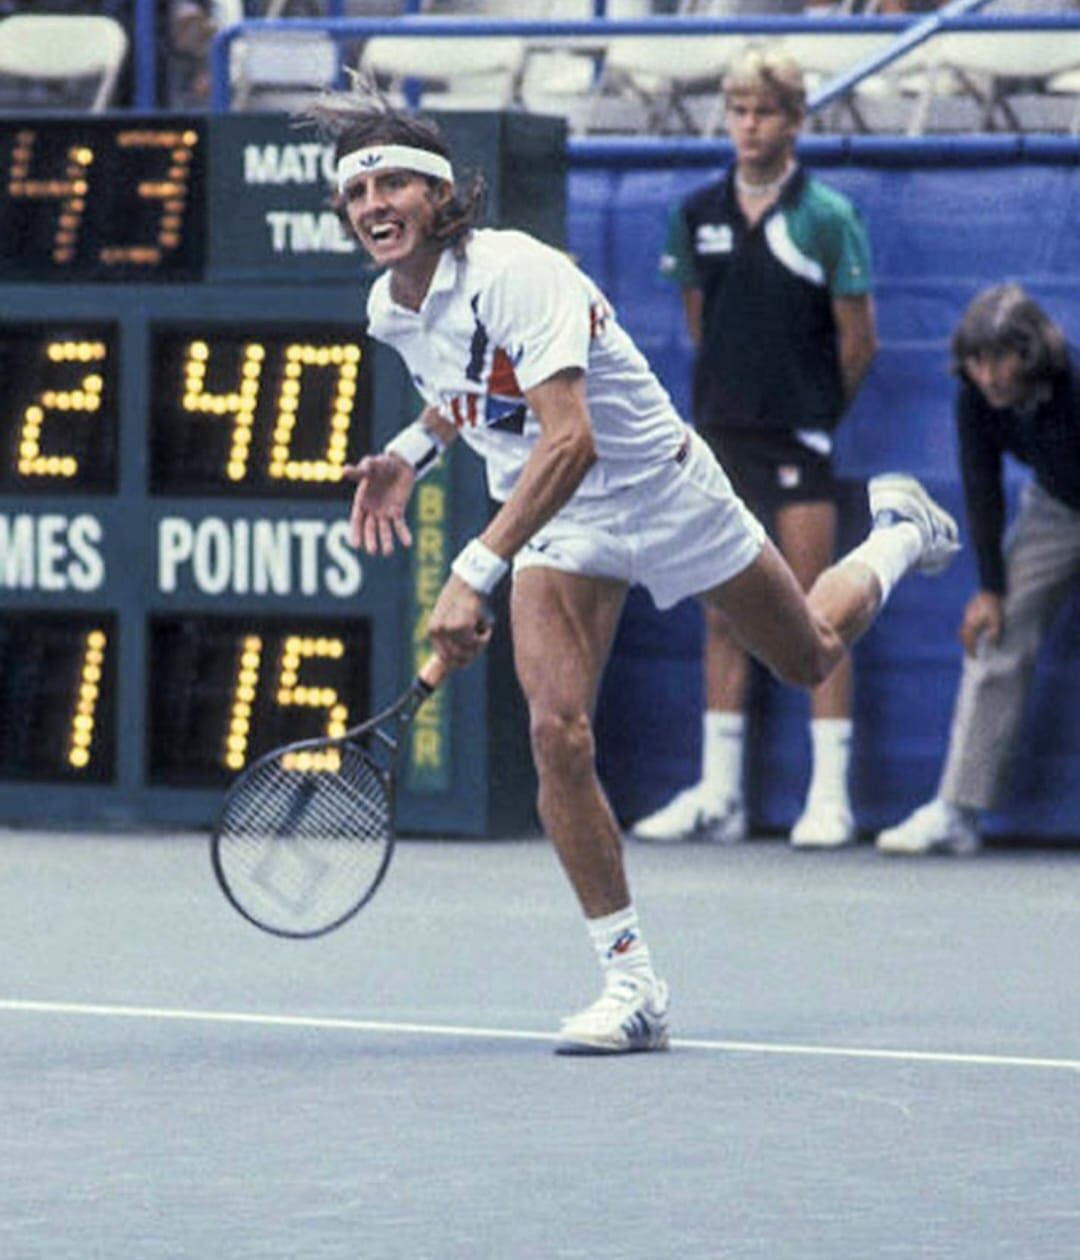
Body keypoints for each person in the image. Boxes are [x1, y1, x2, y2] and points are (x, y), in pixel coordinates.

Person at [313, 82, 958, 1054]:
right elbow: (470, 394)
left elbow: (567, 439)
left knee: (811, 655)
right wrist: (411, 451)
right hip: (560, 528)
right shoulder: (392, 307)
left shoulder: (518, 272)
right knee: (556, 733)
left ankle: (898, 534)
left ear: (441, 196)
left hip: (659, 488)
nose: (374, 205)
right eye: (358, 193)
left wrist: (474, 570)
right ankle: (632, 984)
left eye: (394, 183)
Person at [634, 49, 878, 850]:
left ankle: (830, 799)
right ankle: (719, 797)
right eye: (737, 111)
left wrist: (810, 414)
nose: (748, 126)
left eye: (764, 112)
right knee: (721, 617)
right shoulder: (696, 212)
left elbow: (859, 342)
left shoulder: (828, 217)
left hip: (799, 442)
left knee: (812, 610)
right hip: (720, 441)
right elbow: (702, 323)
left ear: (796, 121)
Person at [877, 285, 1080, 856]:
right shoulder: (974, 398)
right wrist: (991, 588)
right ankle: (956, 811)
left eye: (1000, 359)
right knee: (998, 634)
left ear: (1031, 351)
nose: (988, 375)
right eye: (976, 360)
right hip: (1057, 509)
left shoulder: (1074, 385)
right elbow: (982, 487)